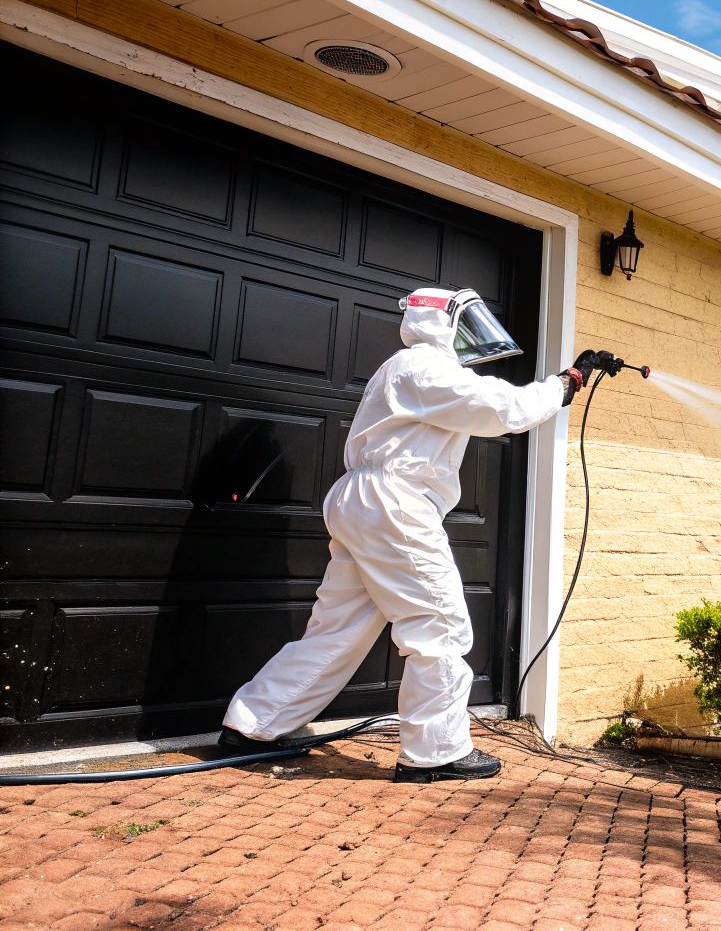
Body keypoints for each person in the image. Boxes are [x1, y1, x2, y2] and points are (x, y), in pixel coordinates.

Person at [220, 288, 595, 782]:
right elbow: (504, 409)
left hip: (367, 501)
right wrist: (565, 383)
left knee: (337, 630)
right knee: (440, 624)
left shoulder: (407, 369)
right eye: (466, 325)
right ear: (441, 323)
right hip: (394, 501)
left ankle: (253, 724)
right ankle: (435, 752)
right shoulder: (424, 367)